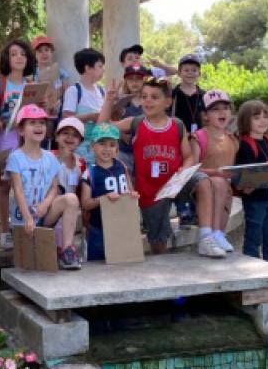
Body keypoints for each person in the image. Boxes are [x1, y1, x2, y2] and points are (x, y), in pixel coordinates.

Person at [98, 77, 194, 254]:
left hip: (174, 183)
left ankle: (209, 233)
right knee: (158, 242)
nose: (147, 100)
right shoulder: (135, 122)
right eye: (144, 96)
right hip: (150, 191)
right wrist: (109, 101)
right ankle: (160, 271)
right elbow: (102, 128)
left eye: (154, 97)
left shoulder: (178, 125)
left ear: (167, 102)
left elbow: (189, 156)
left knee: (205, 181)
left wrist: (184, 170)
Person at [5, 104, 82, 270]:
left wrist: (46, 204)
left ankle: (67, 249)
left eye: (41, 122)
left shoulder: (50, 157)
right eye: (32, 122)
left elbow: (54, 187)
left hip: (44, 213)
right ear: (21, 130)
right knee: (29, 268)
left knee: (71, 199)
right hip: (23, 217)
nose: (39, 126)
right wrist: (28, 218)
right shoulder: (15, 157)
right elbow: (17, 190)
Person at [0, 39, 36, 249]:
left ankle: (26, 225)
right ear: (7, 59)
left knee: (25, 185)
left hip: (27, 142)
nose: (19, 57)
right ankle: (5, 231)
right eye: (14, 54)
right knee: (5, 185)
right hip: (5, 141)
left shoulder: (32, 85)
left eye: (23, 54)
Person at [189, 90, 239, 258]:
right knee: (217, 181)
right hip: (203, 191)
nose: (222, 112)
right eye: (215, 109)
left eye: (225, 108)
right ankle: (209, 236)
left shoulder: (232, 139)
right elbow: (192, 169)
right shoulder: (198, 137)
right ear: (205, 115)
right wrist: (215, 172)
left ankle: (217, 234)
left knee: (220, 183)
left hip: (224, 195)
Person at [79, 123, 138, 261]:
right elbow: (85, 204)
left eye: (112, 145)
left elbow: (130, 190)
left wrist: (132, 195)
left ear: (117, 149)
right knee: (97, 269)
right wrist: (104, 198)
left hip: (123, 227)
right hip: (99, 229)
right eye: (102, 144)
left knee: (124, 265)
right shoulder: (89, 173)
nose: (107, 149)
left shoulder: (122, 166)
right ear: (93, 146)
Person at [235, 100, 268, 263]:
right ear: (246, 120)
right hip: (255, 199)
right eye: (256, 117)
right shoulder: (244, 144)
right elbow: (243, 175)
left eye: (265, 116)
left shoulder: (267, 140)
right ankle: (251, 267)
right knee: (254, 236)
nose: (263, 120)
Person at [62, 48, 106, 162]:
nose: (103, 70)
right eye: (100, 66)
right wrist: (89, 116)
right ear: (88, 68)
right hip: (79, 150)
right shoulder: (74, 91)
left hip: (101, 149)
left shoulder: (102, 91)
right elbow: (66, 120)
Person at [116, 64, 149, 173]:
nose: (134, 83)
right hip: (124, 152)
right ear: (126, 81)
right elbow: (108, 124)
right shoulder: (120, 101)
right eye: (131, 79)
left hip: (146, 153)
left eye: (139, 79)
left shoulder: (150, 101)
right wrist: (121, 135)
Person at [170, 54, 205, 133]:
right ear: (179, 73)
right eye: (186, 70)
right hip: (178, 135)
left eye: (194, 70)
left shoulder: (204, 95)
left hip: (199, 137)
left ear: (199, 73)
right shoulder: (173, 94)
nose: (190, 73)